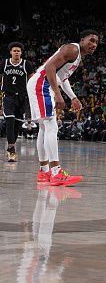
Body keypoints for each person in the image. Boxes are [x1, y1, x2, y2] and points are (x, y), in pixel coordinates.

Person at [27, 30, 99, 185]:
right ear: (82, 40)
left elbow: (62, 77)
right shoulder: (73, 49)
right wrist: (58, 95)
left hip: (41, 84)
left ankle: (44, 172)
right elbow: (50, 68)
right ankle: (55, 173)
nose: (93, 44)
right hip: (42, 84)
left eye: (96, 43)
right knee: (52, 127)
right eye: (91, 40)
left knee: (45, 128)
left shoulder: (77, 55)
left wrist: (73, 97)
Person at [1, 42, 33, 161]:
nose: (16, 53)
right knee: (9, 120)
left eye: (18, 51)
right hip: (8, 96)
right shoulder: (4, 63)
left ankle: (11, 147)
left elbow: (32, 79)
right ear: (10, 52)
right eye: (14, 51)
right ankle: (12, 150)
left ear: (21, 52)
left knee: (17, 125)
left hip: (22, 98)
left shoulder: (27, 64)